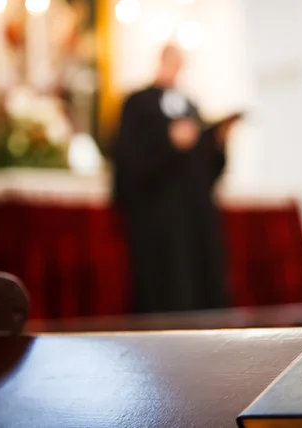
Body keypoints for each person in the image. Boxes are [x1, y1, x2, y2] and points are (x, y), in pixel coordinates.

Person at [112, 44, 238, 313]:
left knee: (200, 280)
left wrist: (218, 142)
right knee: (168, 285)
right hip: (158, 214)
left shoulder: (190, 105)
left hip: (195, 213)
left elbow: (207, 169)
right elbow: (129, 159)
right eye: (171, 61)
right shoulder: (138, 102)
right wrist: (170, 144)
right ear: (160, 60)